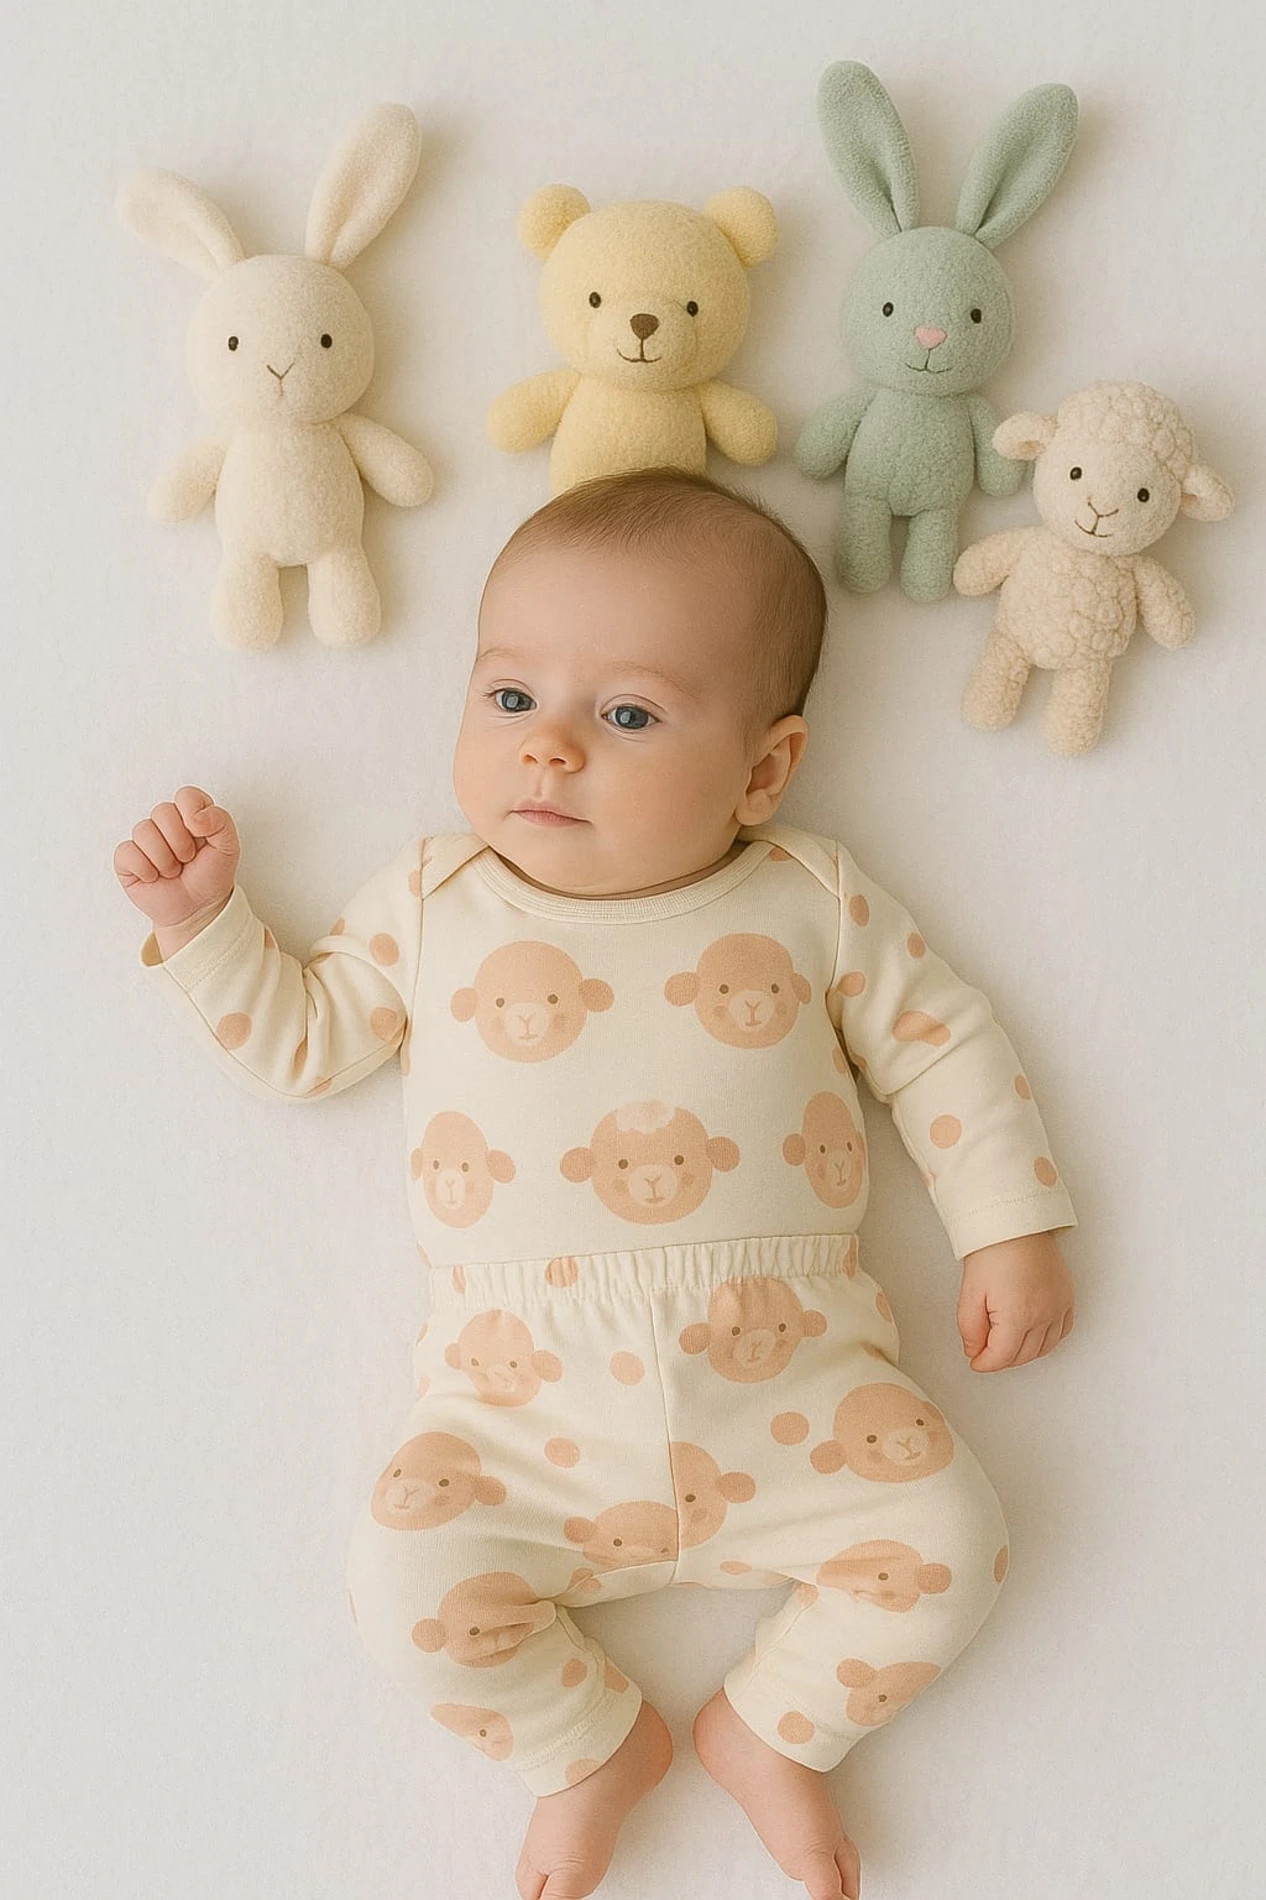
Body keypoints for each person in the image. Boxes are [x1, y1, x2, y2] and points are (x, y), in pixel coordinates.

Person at [114, 468, 1076, 1900]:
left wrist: (1006, 1227)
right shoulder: (433, 902)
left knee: (952, 1541)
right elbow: (305, 1044)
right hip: (516, 1410)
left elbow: (941, 1050)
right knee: (404, 1585)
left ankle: (775, 1729)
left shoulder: (810, 898)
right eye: (509, 697)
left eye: (625, 715)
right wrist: (207, 927)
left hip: (794, 1381)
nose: (548, 746)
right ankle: (583, 1749)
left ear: (763, 772)